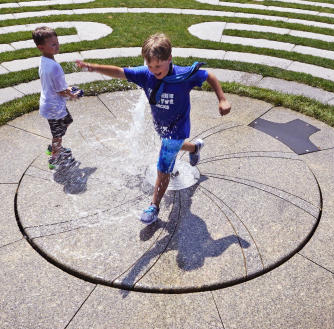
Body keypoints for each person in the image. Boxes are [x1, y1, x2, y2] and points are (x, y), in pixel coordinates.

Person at [76, 33, 231, 224]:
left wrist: (222, 99)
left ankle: (154, 206)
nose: (153, 70)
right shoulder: (146, 74)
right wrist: (94, 68)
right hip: (162, 126)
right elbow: (119, 71)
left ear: (170, 58)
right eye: (150, 65)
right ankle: (195, 147)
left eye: (158, 65)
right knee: (172, 146)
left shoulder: (184, 76)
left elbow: (209, 76)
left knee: (163, 166)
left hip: (178, 127)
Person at [33, 26, 81, 169]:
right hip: (54, 107)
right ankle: (55, 157)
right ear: (41, 47)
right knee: (58, 134)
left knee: (67, 121)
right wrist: (72, 94)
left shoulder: (44, 60)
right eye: (53, 44)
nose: (57, 45)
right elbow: (61, 91)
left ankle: (55, 146)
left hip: (52, 103)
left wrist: (67, 90)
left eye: (57, 42)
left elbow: (57, 87)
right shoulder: (54, 67)